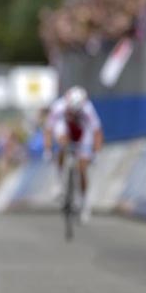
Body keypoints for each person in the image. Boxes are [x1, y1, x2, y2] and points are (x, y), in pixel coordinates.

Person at [43, 86, 103, 223]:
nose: (73, 114)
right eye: (71, 111)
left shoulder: (88, 109)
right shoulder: (59, 107)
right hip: (65, 128)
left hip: (83, 131)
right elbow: (48, 129)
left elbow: (97, 132)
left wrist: (96, 152)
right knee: (62, 143)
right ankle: (59, 181)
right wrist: (47, 150)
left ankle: (84, 202)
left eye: (76, 112)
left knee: (83, 168)